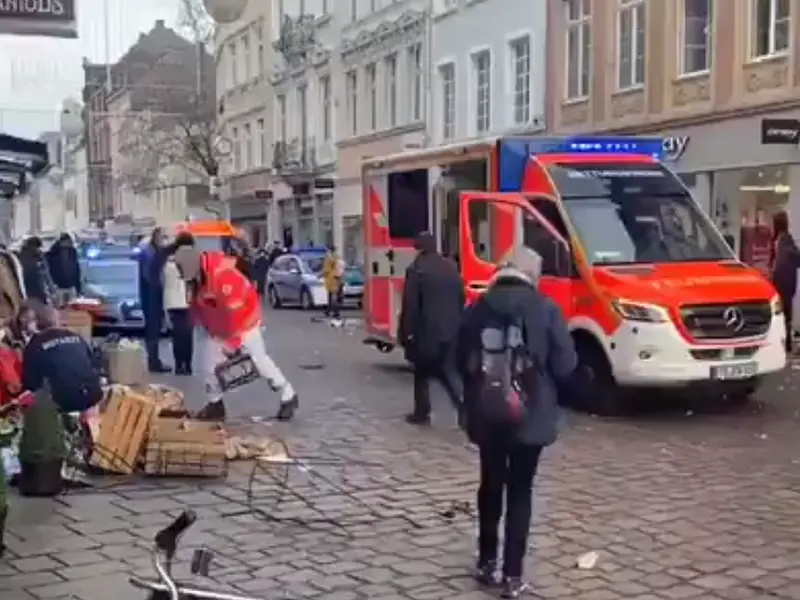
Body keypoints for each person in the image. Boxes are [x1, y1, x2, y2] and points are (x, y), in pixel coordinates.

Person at [455, 247, 578, 599]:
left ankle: (486, 562)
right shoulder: (545, 309)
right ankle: (512, 577)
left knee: (490, 484)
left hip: (487, 413)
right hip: (530, 416)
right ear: (532, 276)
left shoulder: (478, 308)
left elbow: (461, 358)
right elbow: (566, 365)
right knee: (521, 491)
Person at [175, 247, 299, 422]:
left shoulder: (224, 276)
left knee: (258, 359)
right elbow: (197, 305)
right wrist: (195, 323)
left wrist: (233, 344)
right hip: (218, 328)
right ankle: (215, 404)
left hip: (245, 323)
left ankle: (288, 394)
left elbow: (235, 312)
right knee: (209, 364)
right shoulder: (197, 278)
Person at [398, 232, 464, 425]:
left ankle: (421, 411)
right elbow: (461, 298)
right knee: (449, 372)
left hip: (426, 332)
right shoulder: (451, 268)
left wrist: (405, 333)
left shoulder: (416, 270)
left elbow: (411, 306)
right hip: (451, 330)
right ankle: (463, 406)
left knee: (421, 374)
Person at [21, 303, 103, 415]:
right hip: (94, 395)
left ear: (37, 323)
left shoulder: (34, 345)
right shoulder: (75, 336)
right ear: (57, 321)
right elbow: (94, 364)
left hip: (65, 404)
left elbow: (31, 384)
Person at [163, 233, 195, 375]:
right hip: (188, 302)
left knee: (177, 336)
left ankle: (178, 365)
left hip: (173, 302)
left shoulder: (168, 261)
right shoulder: (193, 259)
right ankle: (187, 365)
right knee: (188, 336)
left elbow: (163, 281)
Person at [139, 228, 170, 373]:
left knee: (154, 329)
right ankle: (153, 362)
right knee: (153, 329)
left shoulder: (152, 251)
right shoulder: (150, 252)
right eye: (162, 237)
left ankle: (154, 360)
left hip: (152, 294)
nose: (164, 240)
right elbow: (149, 275)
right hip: (151, 295)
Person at [769, 210, 800, 353]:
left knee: (782, 314)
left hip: (782, 283)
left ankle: (784, 342)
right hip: (786, 283)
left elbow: (781, 263)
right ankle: (784, 342)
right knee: (784, 314)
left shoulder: (783, 240)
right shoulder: (782, 240)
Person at [18, 237, 56, 305]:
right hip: (35, 293)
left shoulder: (20, 256)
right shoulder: (39, 257)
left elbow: (46, 275)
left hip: (28, 295)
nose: (39, 249)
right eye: (38, 247)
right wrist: (52, 291)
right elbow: (46, 275)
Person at [46, 233, 81, 304]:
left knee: (71, 309)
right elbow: (48, 272)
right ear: (63, 241)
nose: (70, 243)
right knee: (60, 308)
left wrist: (78, 287)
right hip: (58, 287)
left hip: (70, 287)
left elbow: (76, 269)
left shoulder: (72, 252)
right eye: (69, 241)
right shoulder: (52, 254)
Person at [322, 245, 344, 320]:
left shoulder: (328, 258)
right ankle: (335, 312)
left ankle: (330, 311)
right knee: (335, 297)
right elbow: (341, 268)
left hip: (331, 279)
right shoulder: (336, 257)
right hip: (335, 279)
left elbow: (326, 270)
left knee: (331, 296)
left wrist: (323, 276)